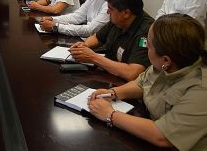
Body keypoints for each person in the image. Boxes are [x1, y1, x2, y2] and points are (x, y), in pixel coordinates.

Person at [88, 14, 207, 150]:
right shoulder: (169, 63)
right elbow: (142, 82)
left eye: (148, 46)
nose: (145, 49)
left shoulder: (201, 90)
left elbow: (163, 136)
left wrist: (110, 115)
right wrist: (113, 93)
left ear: (166, 60)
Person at [69, 0, 154, 81]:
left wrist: (93, 57)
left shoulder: (146, 31)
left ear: (126, 13)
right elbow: (97, 37)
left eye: (110, 9)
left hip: (125, 86)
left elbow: (133, 73)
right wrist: (84, 46)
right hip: (108, 76)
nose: (107, 12)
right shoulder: (118, 20)